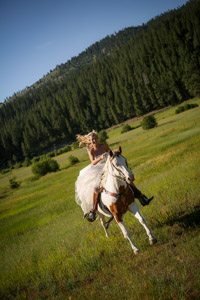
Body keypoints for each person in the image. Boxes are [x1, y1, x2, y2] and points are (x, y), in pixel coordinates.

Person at [75, 130, 153, 222]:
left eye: (95, 138)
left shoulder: (104, 146)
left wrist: (115, 154)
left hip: (109, 166)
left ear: (97, 138)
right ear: (90, 141)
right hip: (98, 170)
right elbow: (93, 162)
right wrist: (100, 158)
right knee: (95, 188)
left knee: (126, 178)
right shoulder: (91, 151)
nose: (94, 140)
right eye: (92, 139)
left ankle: (140, 196)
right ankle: (93, 210)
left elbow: (111, 153)